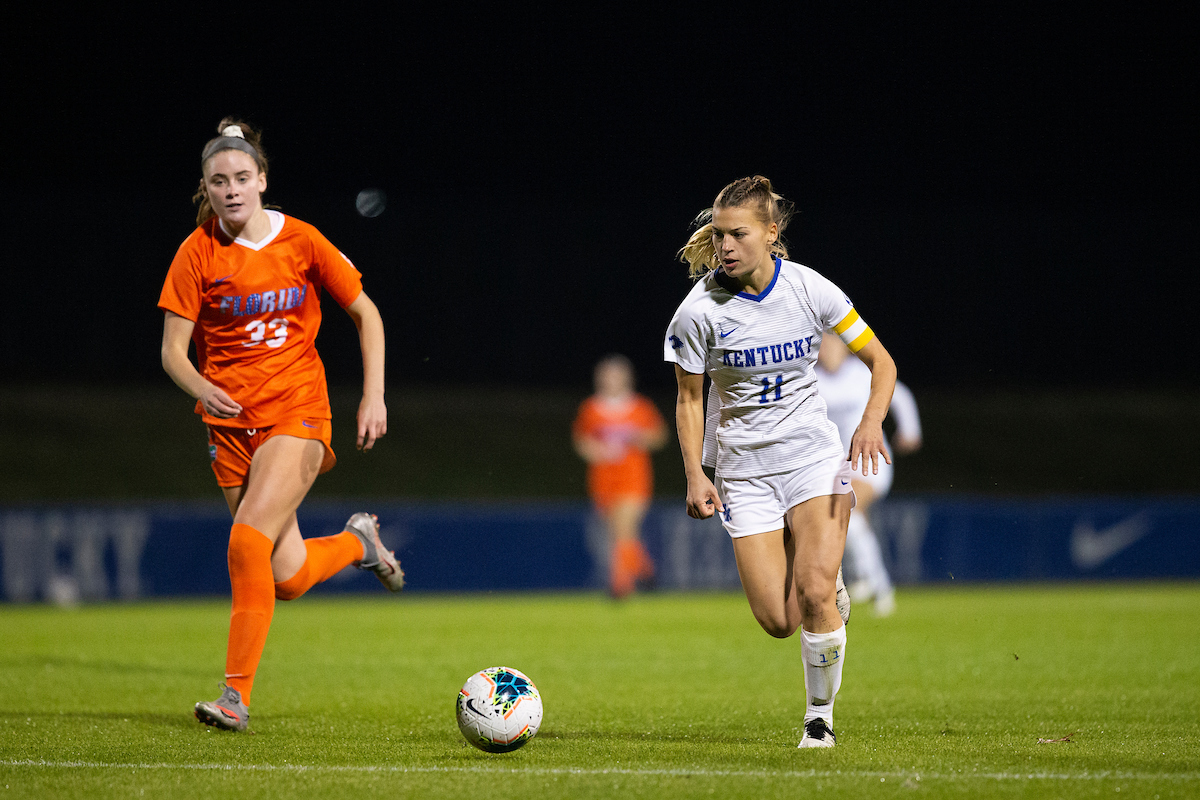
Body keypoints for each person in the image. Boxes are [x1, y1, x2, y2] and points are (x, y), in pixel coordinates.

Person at [158, 118, 404, 733]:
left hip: (297, 410)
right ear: (206, 189)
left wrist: (372, 396)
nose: (232, 190)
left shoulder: (302, 241)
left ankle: (234, 697)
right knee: (286, 577)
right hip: (230, 425)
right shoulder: (196, 253)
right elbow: (171, 353)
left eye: (243, 177)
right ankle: (359, 543)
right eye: (220, 182)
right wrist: (201, 387)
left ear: (262, 180)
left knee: (245, 543)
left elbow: (366, 314)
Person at [665, 176, 897, 749]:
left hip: (812, 457)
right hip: (743, 470)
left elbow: (881, 361)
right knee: (778, 620)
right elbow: (689, 399)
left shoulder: (809, 289)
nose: (725, 246)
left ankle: (819, 719)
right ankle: (822, 576)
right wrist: (696, 471)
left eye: (738, 234)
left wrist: (869, 423)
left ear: (772, 233)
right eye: (719, 235)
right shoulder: (697, 314)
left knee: (815, 591)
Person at [816, 335, 922, 616]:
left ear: (844, 347)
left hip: (872, 460)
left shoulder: (859, 374)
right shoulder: (812, 380)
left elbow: (899, 395)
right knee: (845, 519)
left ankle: (863, 576)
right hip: (836, 466)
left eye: (830, 343)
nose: (825, 350)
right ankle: (880, 587)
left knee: (847, 508)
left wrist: (910, 431)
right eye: (821, 344)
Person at [573, 355, 668, 598]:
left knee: (624, 527)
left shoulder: (640, 407)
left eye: (616, 375)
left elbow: (659, 436)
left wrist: (639, 438)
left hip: (634, 476)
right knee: (618, 532)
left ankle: (619, 587)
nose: (610, 380)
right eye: (606, 375)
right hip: (603, 477)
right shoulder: (591, 408)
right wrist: (595, 451)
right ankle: (646, 571)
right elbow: (582, 440)